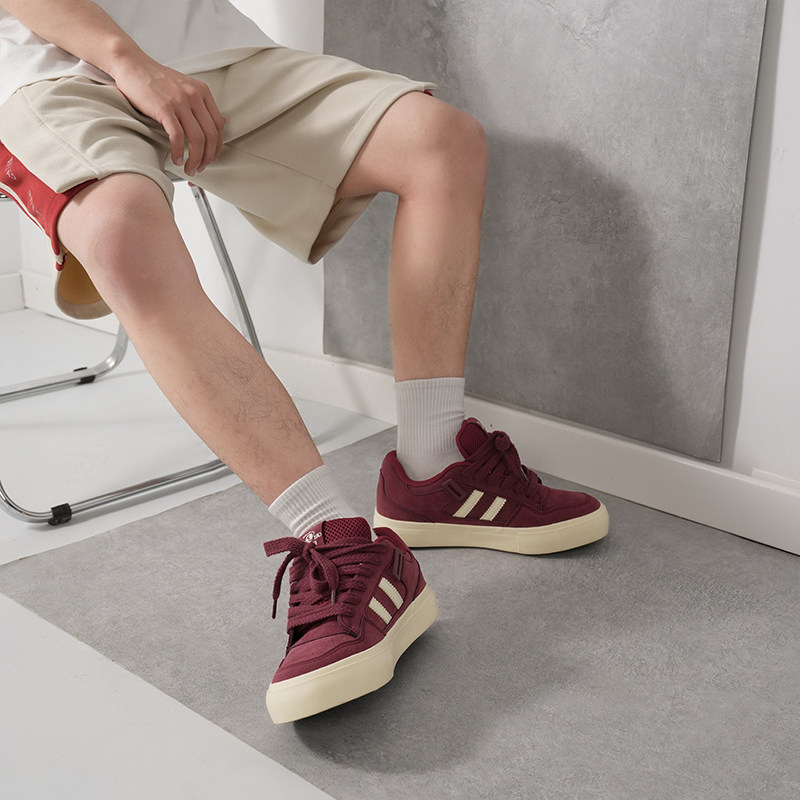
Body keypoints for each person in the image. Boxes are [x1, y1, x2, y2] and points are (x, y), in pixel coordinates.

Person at [0, 0, 609, 724]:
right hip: (44, 73)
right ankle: (335, 541)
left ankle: (435, 467)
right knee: (121, 236)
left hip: (200, 47)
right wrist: (127, 61)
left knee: (440, 141)